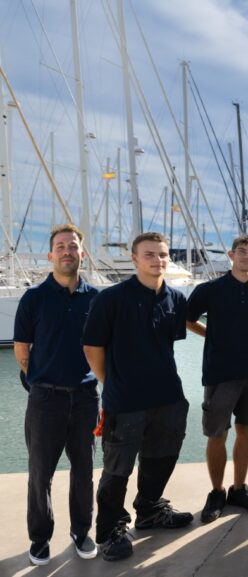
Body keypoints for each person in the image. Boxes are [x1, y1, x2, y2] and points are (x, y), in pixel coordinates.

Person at [82, 232, 193, 562]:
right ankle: (110, 530)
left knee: (163, 457)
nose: (157, 260)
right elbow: (92, 348)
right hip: (125, 401)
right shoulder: (111, 299)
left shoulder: (175, 298)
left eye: (162, 254)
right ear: (134, 259)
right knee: (117, 470)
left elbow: (168, 343)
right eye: (150, 255)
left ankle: (149, 509)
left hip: (168, 396)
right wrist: (111, 383)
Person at [15, 225, 100, 565]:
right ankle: (40, 538)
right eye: (60, 246)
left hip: (85, 399)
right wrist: (37, 383)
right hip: (45, 400)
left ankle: (81, 531)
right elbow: (22, 351)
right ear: (51, 255)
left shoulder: (96, 299)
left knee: (84, 470)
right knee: (40, 474)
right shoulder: (33, 298)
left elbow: (104, 349)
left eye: (73, 246)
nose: (67, 251)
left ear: (82, 253)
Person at [187, 235, 248, 522]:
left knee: (246, 431)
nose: (247, 257)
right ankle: (217, 492)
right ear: (231, 254)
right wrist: (210, 335)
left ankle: (239, 489)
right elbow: (188, 320)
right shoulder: (210, 290)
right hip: (220, 374)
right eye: (242, 252)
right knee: (217, 434)